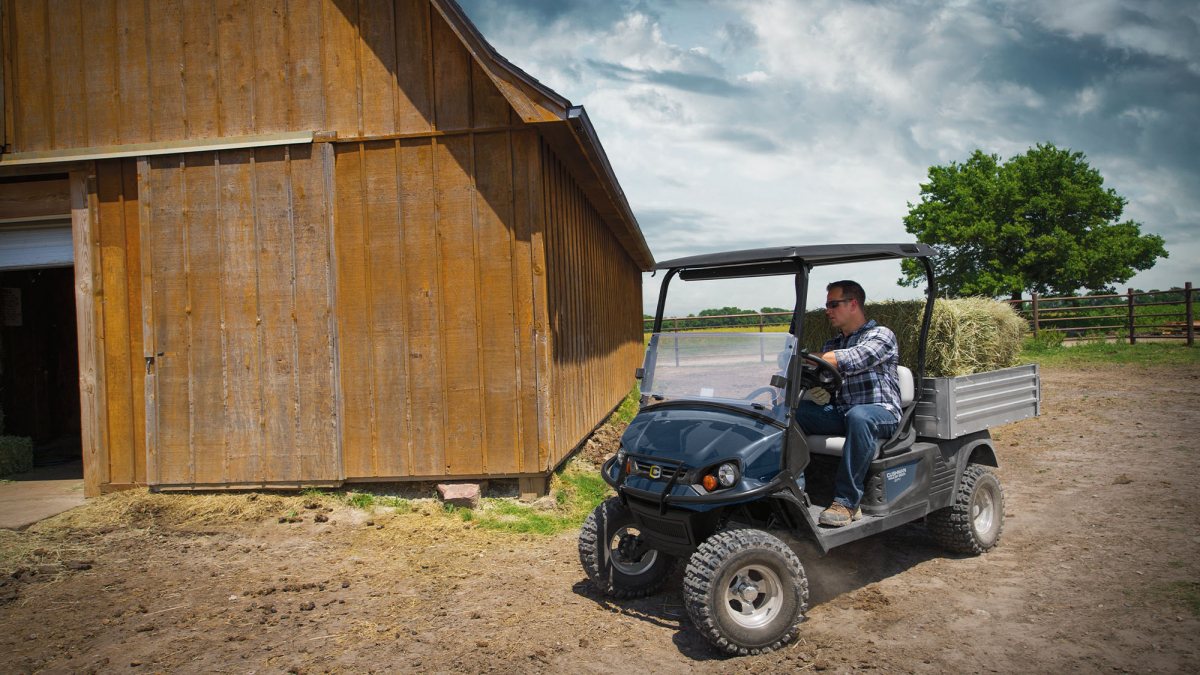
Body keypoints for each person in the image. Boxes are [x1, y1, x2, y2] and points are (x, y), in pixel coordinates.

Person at [797, 280, 901, 527]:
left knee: (860, 416)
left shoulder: (881, 335)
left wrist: (801, 357)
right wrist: (816, 388)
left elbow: (854, 358)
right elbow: (825, 378)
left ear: (853, 304)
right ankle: (795, 488)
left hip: (881, 413)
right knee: (790, 414)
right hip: (843, 413)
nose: (827, 311)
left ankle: (847, 502)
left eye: (833, 304)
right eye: (827, 305)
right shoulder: (831, 344)